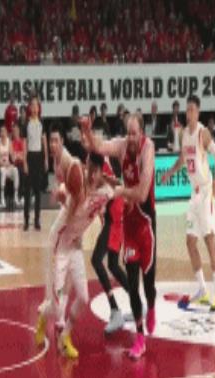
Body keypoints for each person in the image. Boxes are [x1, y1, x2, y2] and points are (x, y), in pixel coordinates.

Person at [82, 113, 157, 360]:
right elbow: (98, 148)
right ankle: (139, 334)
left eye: (135, 133)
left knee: (145, 283)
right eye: (128, 132)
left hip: (138, 220)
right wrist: (87, 129)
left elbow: (140, 193)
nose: (131, 137)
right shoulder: (117, 147)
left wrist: (119, 191)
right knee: (125, 277)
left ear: (142, 133)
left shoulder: (146, 150)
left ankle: (146, 306)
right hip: (126, 221)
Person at [35, 125, 115, 359]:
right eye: (89, 168)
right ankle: (43, 316)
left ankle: (66, 335)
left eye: (95, 171)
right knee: (56, 305)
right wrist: (61, 196)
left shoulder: (106, 192)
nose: (91, 174)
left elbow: (121, 189)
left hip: (76, 246)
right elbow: (66, 191)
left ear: (100, 172)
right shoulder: (76, 182)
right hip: (60, 244)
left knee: (83, 297)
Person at [161, 95, 215, 311]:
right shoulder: (183, 134)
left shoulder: (202, 133)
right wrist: (170, 172)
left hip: (206, 192)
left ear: (198, 112)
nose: (188, 113)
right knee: (190, 242)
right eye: (186, 110)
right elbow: (182, 158)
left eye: (192, 110)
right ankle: (203, 289)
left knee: (209, 240)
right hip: (194, 195)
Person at [91, 157, 129, 334]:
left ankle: (115, 310)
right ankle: (136, 301)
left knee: (96, 260)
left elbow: (116, 184)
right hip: (112, 214)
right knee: (113, 265)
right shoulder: (94, 159)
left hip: (115, 214)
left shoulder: (103, 159)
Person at [24, 96, 48, 230]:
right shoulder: (26, 123)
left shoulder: (41, 123)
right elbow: (24, 143)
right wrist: (25, 161)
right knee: (28, 191)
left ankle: (37, 220)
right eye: (32, 105)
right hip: (30, 156)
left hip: (39, 157)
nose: (34, 108)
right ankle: (26, 220)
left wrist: (46, 159)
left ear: (39, 108)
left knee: (38, 191)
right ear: (29, 108)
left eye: (36, 105)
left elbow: (44, 141)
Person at [0, 126, 22, 208]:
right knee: (3, 172)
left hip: (8, 165)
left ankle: (16, 197)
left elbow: (12, 156)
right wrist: (4, 165)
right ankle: (2, 198)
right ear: (0, 133)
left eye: (4, 131)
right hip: (1, 166)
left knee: (15, 170)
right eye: (1, 131)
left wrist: (16, 156)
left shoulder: (9, 141)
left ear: (6, 133)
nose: (3, 133)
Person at [11, 123, 26, 204]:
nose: (15, 132)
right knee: (17, 170)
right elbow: (12, 157)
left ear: (19, 131)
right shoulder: (11, 143)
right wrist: (18, 155)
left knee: (22, 170)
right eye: (14, 131)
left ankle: (22, 195)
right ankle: (17, 195)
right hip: (14, 164)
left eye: (16, 130)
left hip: (22, 163)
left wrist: (18, 155)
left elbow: (24, 155)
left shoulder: (23, 141)